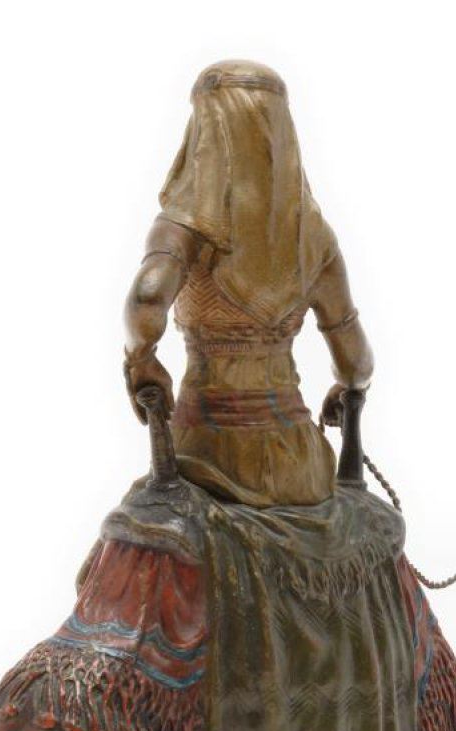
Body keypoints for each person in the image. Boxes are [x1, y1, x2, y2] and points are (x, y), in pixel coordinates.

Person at [123, 60, 373, 508]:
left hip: (203, 455)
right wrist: (349, 387)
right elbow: (356, 363)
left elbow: (146, 297)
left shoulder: (181, 232)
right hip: (298, 467)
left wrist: (140, 359)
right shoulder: (314, 241)